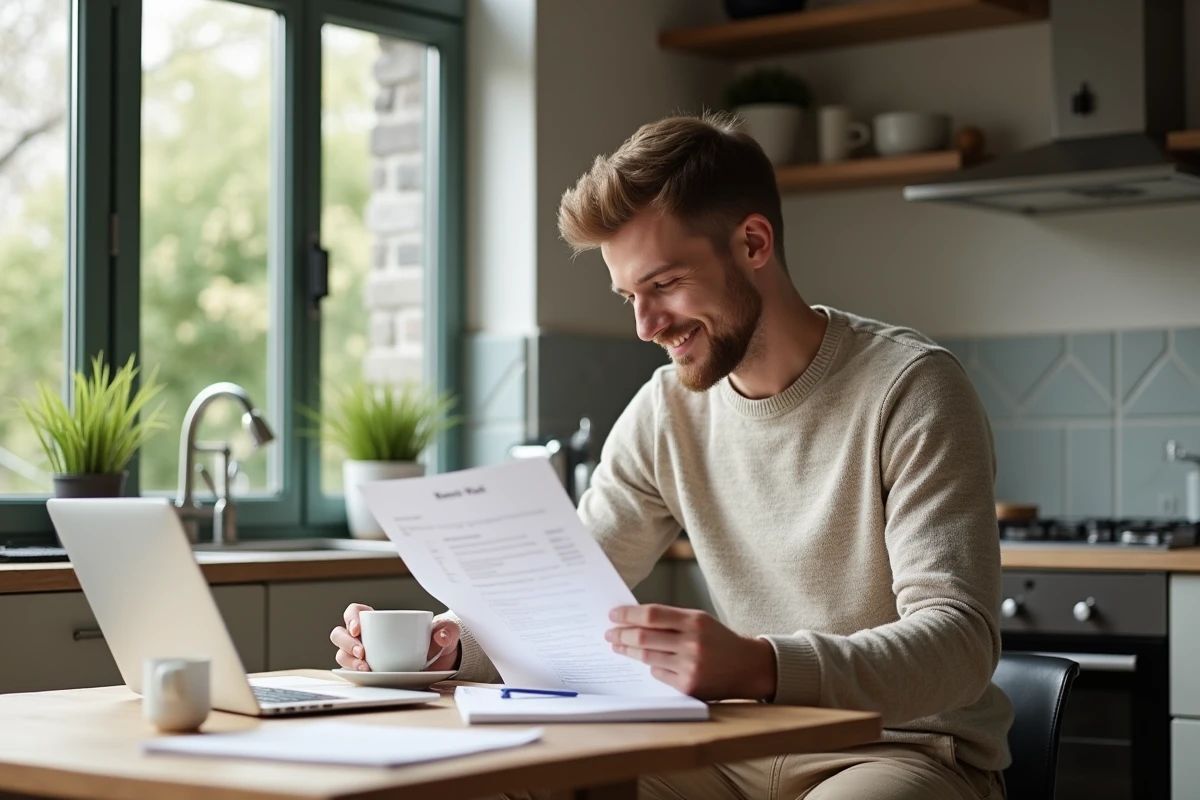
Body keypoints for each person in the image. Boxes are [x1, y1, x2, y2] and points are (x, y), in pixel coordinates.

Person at [331, 111, 1012, 799]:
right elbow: (562, 594)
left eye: (663, 285)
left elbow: (959, 645)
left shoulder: (912, 388)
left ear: (752, 243)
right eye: (630, 295)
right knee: (480, 783)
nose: (645, 326)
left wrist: (758, 666)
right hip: (722, 746)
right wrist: (450, 645)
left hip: (894, 751)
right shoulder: (666, 410)